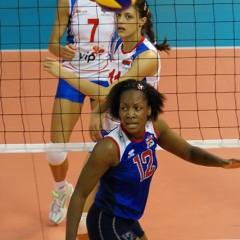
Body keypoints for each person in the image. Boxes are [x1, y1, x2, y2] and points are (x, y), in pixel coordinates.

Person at [65, 79, 240, 240]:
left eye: (137, 108)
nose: (130, 114)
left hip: (129, 218)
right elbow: (79, 195)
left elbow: (190, 152)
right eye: (124, 108)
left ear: (148, 109)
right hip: (108, 221)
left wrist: (221, 163)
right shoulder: (109, 148)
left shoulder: (155, 127)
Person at [46, 0, 116, 231]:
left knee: (102, 148)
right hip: (72, 75)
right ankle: (62, 189)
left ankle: (92, 206)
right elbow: (53, 44)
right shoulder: (69, 2)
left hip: (106, 78)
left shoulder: (120, 3)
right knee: (55, 152)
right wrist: (60, 50)